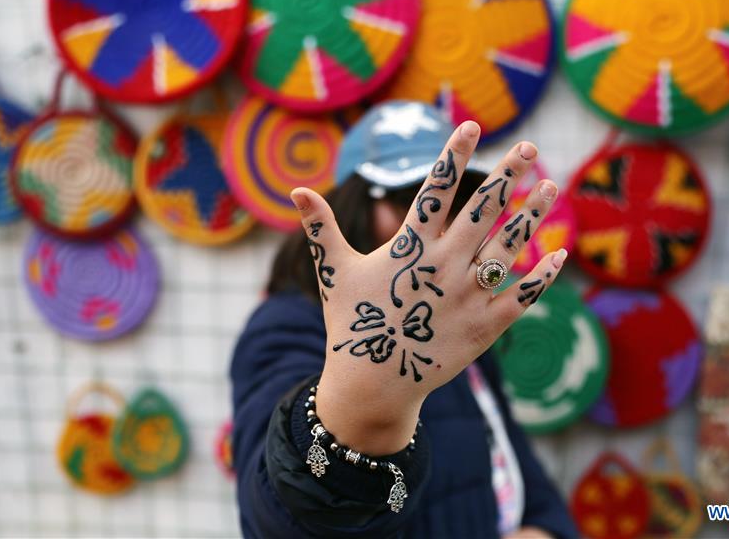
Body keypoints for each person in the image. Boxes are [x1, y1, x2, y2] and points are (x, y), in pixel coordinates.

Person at [231, 102, 576, 538]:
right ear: (354, 204)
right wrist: (359, 411)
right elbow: (277, 515)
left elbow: (510, 458)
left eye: (456, 201)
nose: (435, 225)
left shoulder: (457, 320)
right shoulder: (287, 325)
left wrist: (545, 530)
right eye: (410, 200)